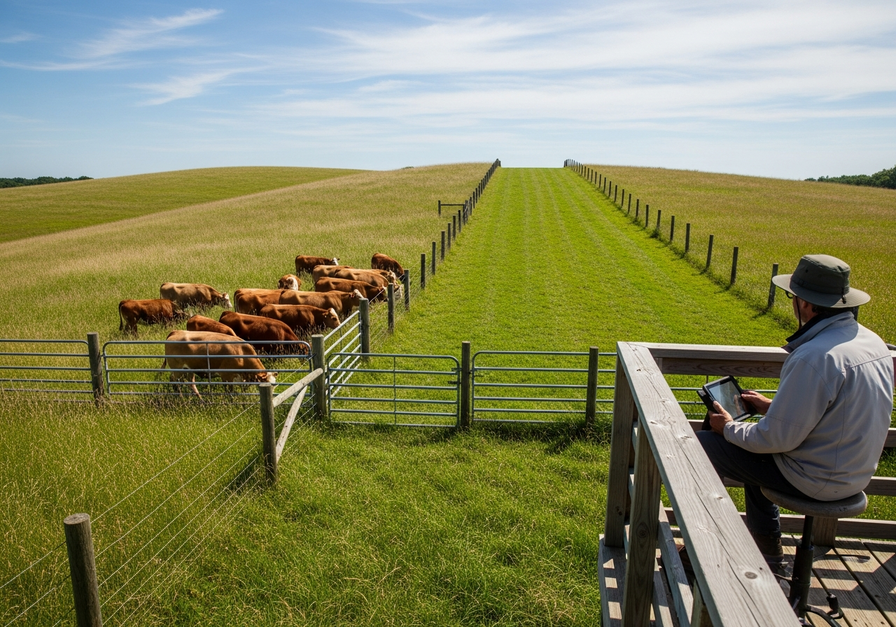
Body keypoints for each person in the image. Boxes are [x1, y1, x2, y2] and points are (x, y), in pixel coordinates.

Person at [696, 254, 894, 571]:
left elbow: (775, 439)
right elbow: (834, 414)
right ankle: (768, 554)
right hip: (852, 476)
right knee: (751, 455)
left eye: (794, 297)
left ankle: (704, 552)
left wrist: (728, 427)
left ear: (805, 304)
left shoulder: (814, 357)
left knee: (701, 446)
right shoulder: (872, 343)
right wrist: (771, 408)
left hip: (815, 477)